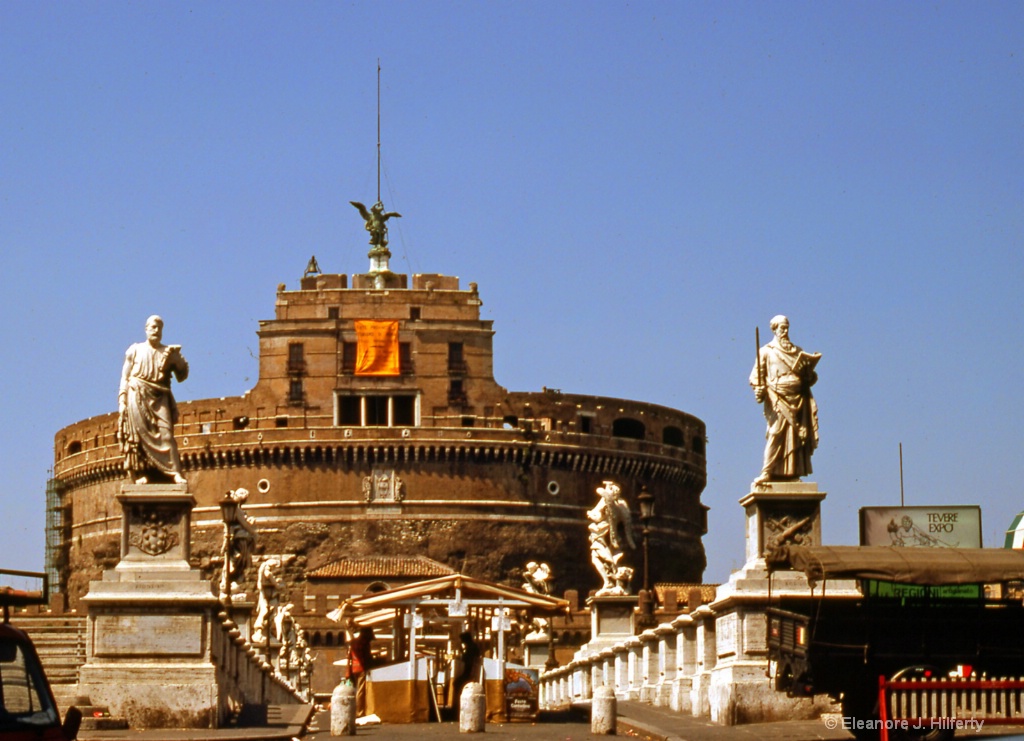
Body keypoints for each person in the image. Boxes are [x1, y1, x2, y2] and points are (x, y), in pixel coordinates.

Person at [749, 315, 821, 486]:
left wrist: (809, 372)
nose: (785, 331)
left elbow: (809, 378)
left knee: (794, 436)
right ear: (774, 329)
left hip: (798, 398)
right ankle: (767, 471)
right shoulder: (766, 351)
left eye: (787, 327)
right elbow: (755, 376)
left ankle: (792, 472)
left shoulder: (798, 351)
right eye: (781, 328)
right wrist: (758, 389)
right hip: (777, 397)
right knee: (776, 433)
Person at [117, 315, 189, 484]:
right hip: (137, 393)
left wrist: (178, 362)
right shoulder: (134, 350)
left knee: (166, 435)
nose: (156, 330)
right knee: (138, 437)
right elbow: (124, 377)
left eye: (159, 328)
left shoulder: (167, 351)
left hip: (160, 396)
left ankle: (174, 472)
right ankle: (138, 474)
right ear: (146, 329)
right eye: (153, 327)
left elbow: (182, 376)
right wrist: (122, 400)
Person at [347, 627, 374, 717]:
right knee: (361, 690)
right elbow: (367, 657)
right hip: (362, 668)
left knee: (357, 689)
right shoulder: (364, 643)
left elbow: (349, 657)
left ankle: (357, 709)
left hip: (354, 668)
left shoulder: (353, 642)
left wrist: (348, 671)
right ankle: (359, 711)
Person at [452, 630, 481, 713]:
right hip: (469, 671)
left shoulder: (471, 648)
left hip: (469, 672)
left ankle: (460, 704)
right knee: (457, 683)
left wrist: (462, 651)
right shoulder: (472, 646)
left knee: (457, 684)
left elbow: (466, 659)